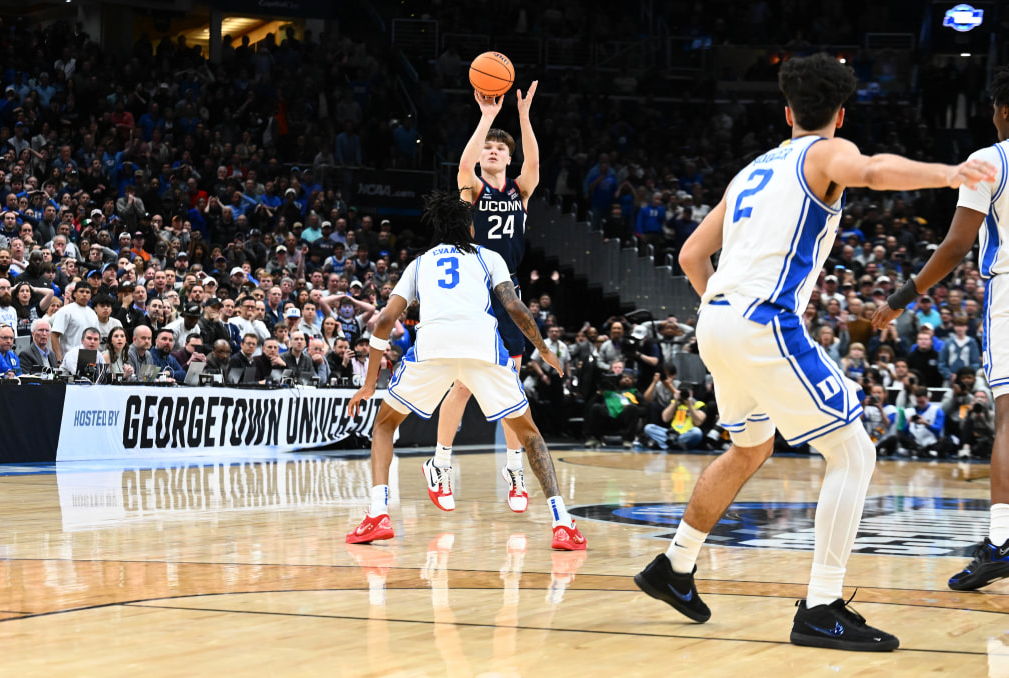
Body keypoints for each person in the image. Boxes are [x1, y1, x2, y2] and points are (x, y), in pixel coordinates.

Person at [634, 52, 995, 652]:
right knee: (854, 452)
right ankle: (822, 607)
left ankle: (674, 565)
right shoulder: (825, 153)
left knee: (750, 448)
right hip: (761, 321)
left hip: (715, 319)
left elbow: (691, 256)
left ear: (787, 112)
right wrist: (949, 173)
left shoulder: (750, 171)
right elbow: (872, 170)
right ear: (840, 113)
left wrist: (726, 314)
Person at [345, 190, 585, 551]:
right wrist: (545, 348)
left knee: (383, 426)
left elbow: (383, 322)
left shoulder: (420, 264)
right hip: (482, 347)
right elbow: (515, 308)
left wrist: (368, 384)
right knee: (529, 433)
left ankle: (378, 514)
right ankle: (561, 522)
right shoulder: (489, 257)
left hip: (433, 348)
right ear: (470, 228)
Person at [873, 65, 1009, 591]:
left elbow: (955, 246)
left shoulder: (990, 160)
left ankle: (1002, 540)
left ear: (1002, 110)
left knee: (1007, 420)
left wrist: (902, 298)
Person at [429, 82, 542, 514]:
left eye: (500, 149)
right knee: (462, 384)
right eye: (488, 148)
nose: (493, 151)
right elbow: (463, 164)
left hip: (509, 295)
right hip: (474, 295)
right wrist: (487, 116)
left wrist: (524, 116)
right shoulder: (473, 190)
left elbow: (534, 162)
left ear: (508, 158)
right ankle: (440, 463)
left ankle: (514, 469)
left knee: (510, 389)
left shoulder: (520, 191)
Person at [50, 283, 99, 361]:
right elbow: (54, 335)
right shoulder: (65, 311)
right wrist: (59, 359)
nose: (84, 294)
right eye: (81, 291)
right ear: (75, 294)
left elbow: (96, 338)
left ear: (90, 295)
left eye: (87, 292)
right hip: (69, 358)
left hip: (89, 359)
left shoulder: (93, 313)